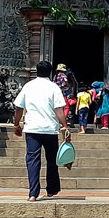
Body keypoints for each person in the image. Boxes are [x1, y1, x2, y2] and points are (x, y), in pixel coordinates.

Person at [14, 61, 70, 201]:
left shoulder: (28, 86)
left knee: (32, 160)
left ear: (36, 71)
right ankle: (51, 189)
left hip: (32, 128)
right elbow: (59, 109)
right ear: (50, 72)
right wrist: (65, 126)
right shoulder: (54, 87)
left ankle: (33, 193)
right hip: (50, 129)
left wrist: (16, 125)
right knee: (51, 160)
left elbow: (19, 108)